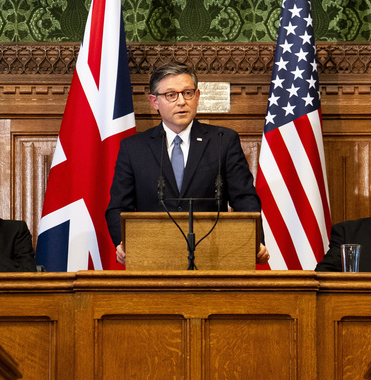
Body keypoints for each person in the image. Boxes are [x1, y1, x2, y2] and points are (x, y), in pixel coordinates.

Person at [106, 61, 270, 266]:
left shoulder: (223, 141)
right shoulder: (133, 148)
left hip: (214, 256)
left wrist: (255, 242)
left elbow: (245, 199)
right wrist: (123, 243)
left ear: (197, 96)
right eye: (171, 95)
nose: (181, 101)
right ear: (154, 101)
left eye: (187, 93)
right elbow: (119, 207)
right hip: (152, 258)